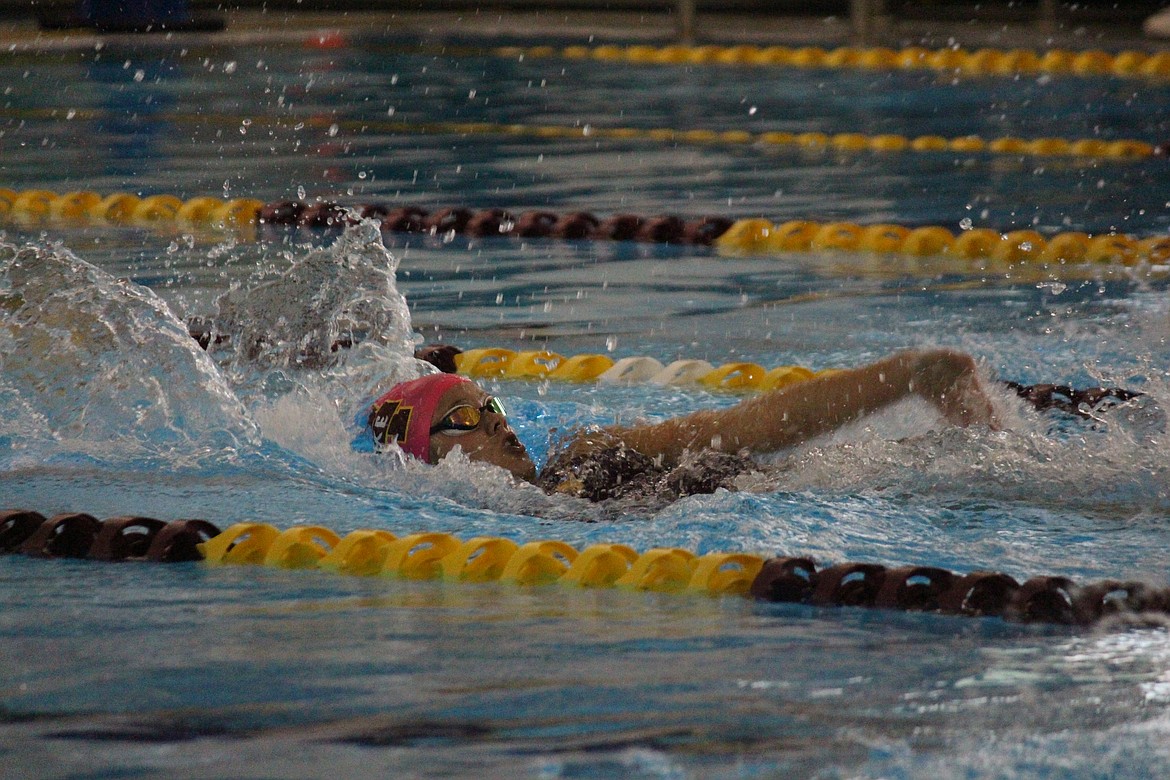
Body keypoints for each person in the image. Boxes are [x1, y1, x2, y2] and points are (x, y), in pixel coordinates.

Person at [365, 348, 999, 503]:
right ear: (424, 458)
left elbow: (736, 429)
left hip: (822, 491)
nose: (498, 423)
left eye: (493, 405)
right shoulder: (502, 532)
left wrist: (901, 376)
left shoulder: (588, 455)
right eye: (467, 419)